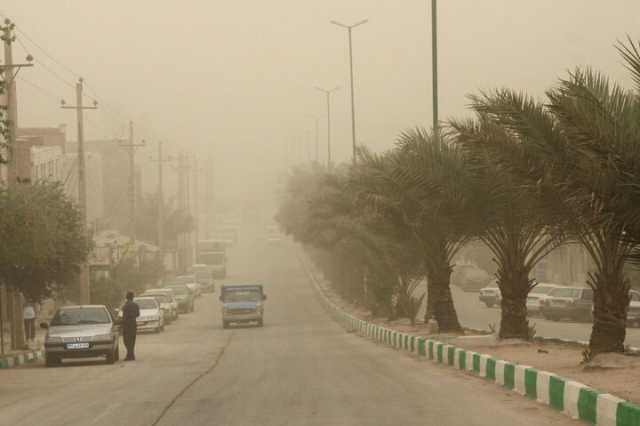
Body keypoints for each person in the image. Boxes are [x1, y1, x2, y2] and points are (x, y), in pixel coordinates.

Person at [121, 291, 140, 361]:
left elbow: (124, 317)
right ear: (132, 297)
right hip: (133, 324)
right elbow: (138, 314)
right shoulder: (135, 305)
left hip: (126, 325)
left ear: (127, 297)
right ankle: (131, 355)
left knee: (126, 341)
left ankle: (130, 355)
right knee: (132, 341)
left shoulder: (125, 306)